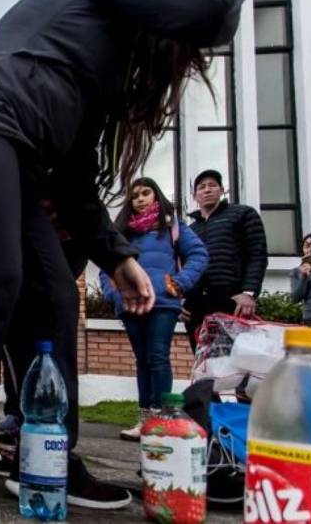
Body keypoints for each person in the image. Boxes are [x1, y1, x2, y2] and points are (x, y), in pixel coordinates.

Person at [0, 0, 245, 522]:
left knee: (55, 296)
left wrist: (117, 256)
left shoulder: (97, 63)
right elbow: (211, 12)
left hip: (22, 157)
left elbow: (76, 179)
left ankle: (42, 457)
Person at [100, 178, 208, 441]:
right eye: (134, 195)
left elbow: (199, 254)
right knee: (143, 361)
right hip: (131, 303)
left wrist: (179, 283)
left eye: (145, 193)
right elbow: (107, 264)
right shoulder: (122, 232)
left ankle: (161, 419)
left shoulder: (173, 228)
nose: (140, 199)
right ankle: (145, 419)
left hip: (162, 302)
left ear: (156, 196)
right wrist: (113, 292)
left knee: (157, 356)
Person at [182, 169, 268, 351]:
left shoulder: (243, 214)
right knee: (202, 362)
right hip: (196, 305)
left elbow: (257, 254)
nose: (207, 190)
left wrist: (249, 293)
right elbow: (181, 265)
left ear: (222, 190)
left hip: (232, 301)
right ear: (194, 196)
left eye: (212, 185)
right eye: (202, 187)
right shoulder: (189, 230)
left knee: (232, 363)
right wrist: (179, 301)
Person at [291, 230, 311, 327]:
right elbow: (295, 298)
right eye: (306, 246)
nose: (308, 250)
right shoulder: (297, 272)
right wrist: (304, 277)